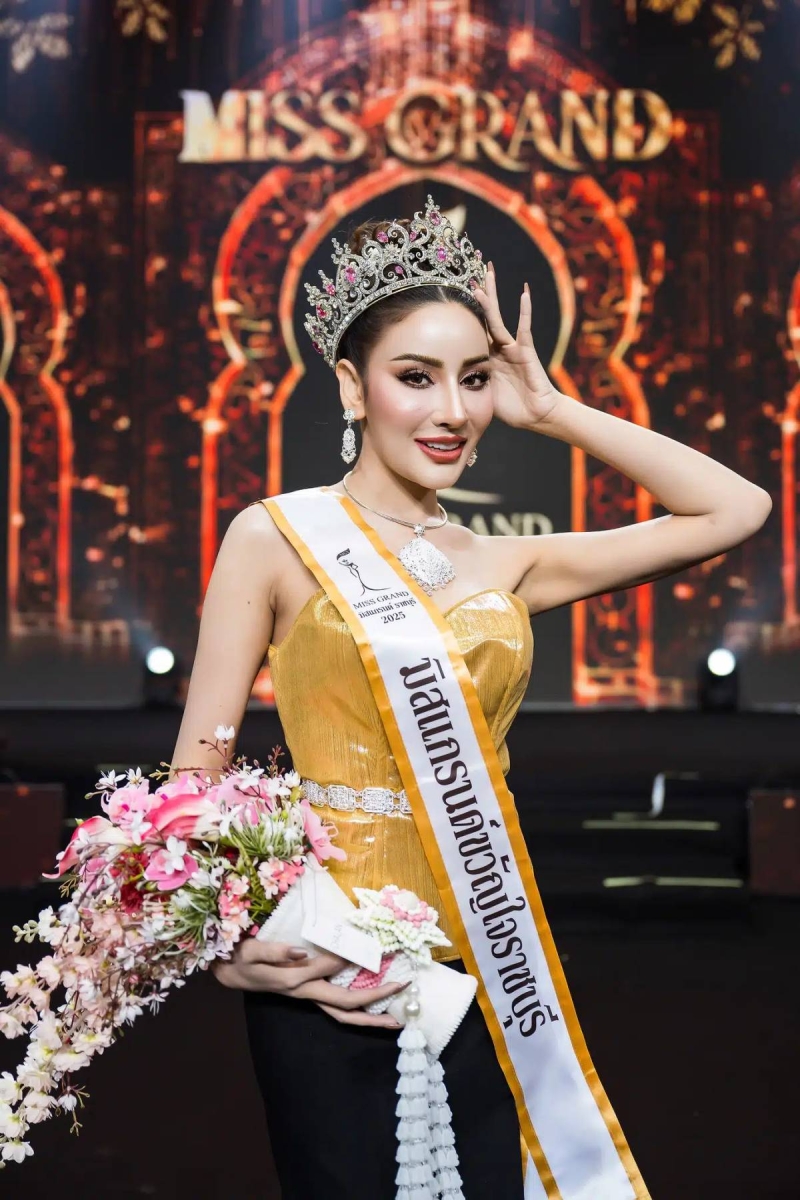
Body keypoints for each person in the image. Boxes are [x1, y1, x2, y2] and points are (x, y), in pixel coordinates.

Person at [167, 196, 771, 1199]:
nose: (452, 410)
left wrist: (552, 407)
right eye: (416, 377)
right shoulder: (274, 537)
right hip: (330, 962)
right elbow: (195, 778)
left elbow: (734, 509)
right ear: (351, 387)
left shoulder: (507, 560)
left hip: (489, 956)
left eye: (474, 379)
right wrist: (227, 944)